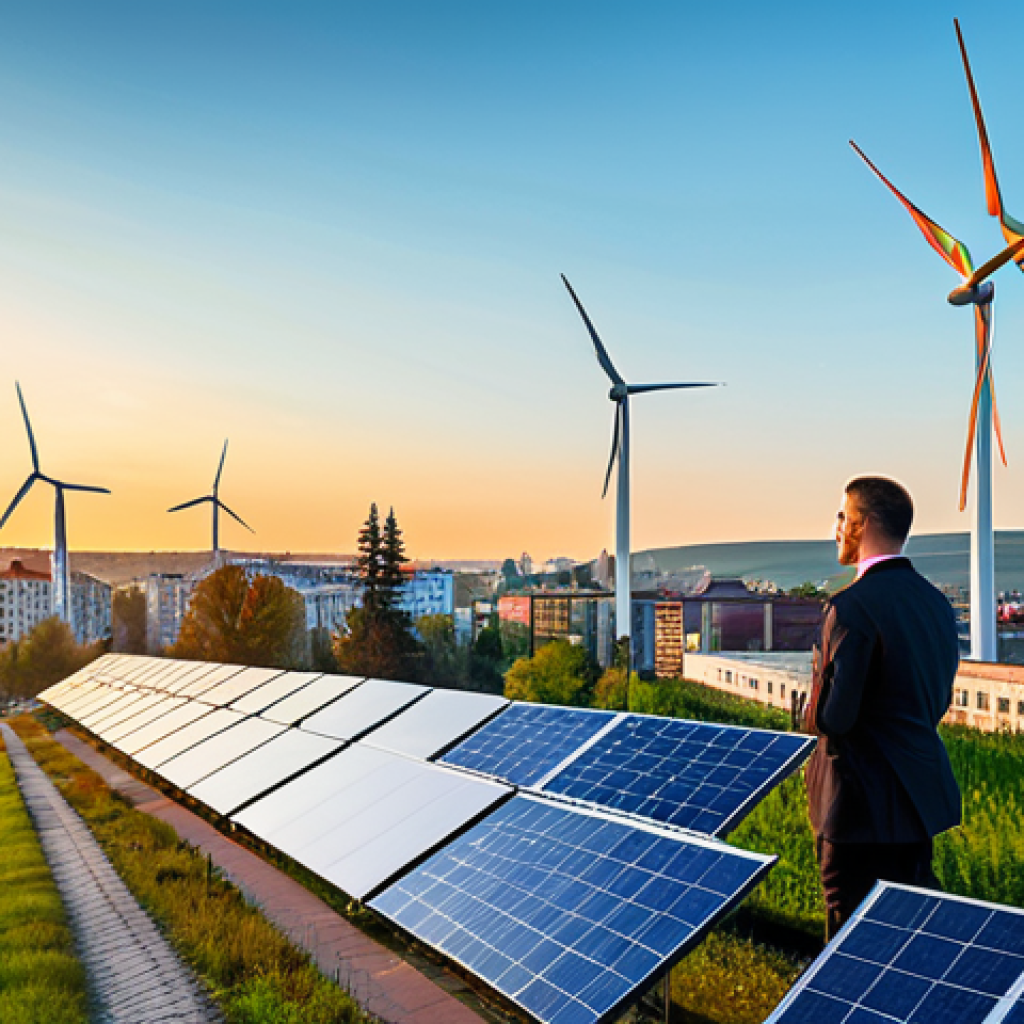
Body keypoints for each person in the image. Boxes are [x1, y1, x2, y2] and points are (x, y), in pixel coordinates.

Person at [805, 476, 961, 940]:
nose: (836, 526)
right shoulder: (936, 604)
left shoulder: (851, 606)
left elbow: (835, 718)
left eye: (842, 516)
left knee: (852, 949)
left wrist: (808, 703)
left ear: (863, 523)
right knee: (906, 947)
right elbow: (936, 698)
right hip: (916, 806)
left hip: (856, 812)